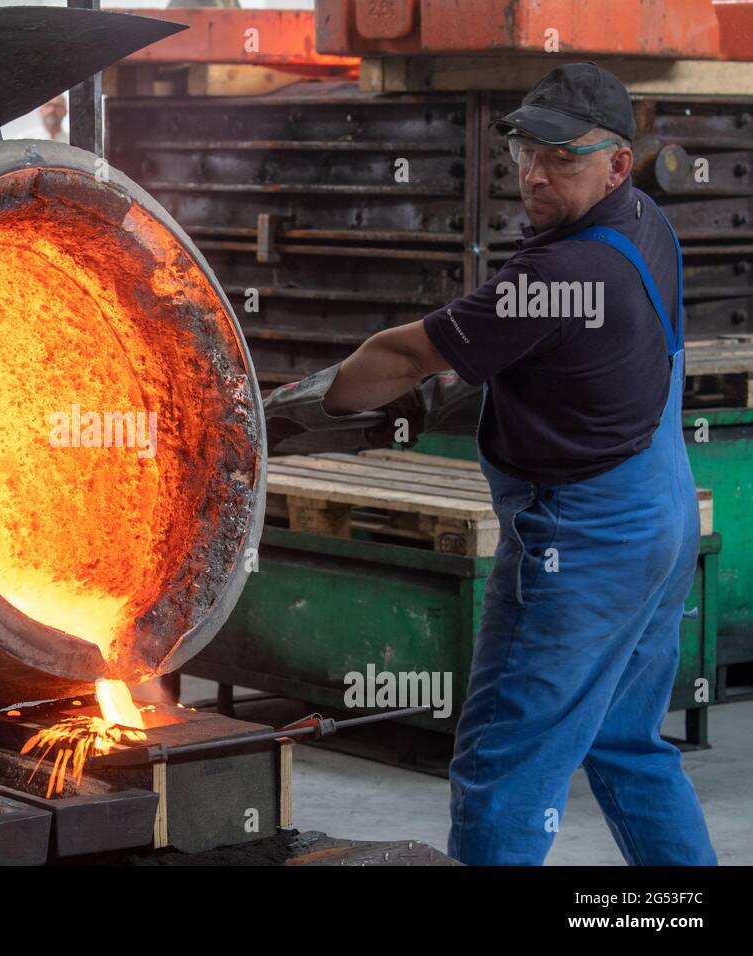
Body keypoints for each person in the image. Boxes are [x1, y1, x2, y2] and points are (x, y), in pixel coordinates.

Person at [263, 62, 717, 866]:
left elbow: (401, 354)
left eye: (562, 159)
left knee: (503, 767)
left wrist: (284, 416)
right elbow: (561, 357)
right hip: (662, 514)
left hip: (581, 547)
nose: (534, 175)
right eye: (524, 152)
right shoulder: (646, 219)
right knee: (625, 742)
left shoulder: (558, 275)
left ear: (617, 162)